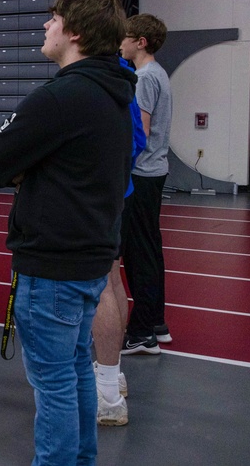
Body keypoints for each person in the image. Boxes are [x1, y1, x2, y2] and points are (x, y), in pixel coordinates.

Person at [0, 0, 135, 466]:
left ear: (76, 33)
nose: (45, 27)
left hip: (53, 266)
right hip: (89, 258)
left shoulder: (61, 96)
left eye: (53, 19)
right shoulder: (113, 92)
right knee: (75, 372)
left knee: (54, 384)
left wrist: (29, 166)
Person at [91, 57, 146, 427]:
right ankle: (112, 376)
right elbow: (139, 140)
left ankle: (107, 395)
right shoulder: (124, 81)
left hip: (93, 198)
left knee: (99, 287)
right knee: (112, 280)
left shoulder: (95, 82)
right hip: (118, 192)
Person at [119, 13, 173, 355]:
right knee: (149, 249)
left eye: (125, 38)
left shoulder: (143, 77)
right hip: (154, 172)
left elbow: (142, 131)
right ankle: (154, 322)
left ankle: (141, 332)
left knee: (138, 255)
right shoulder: (158, 74)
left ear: (140, 42)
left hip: (141, 174)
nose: (120, 43)